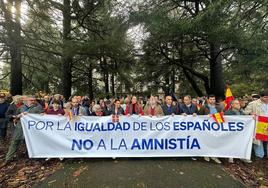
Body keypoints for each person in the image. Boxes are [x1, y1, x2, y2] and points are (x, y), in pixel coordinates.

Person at [3, 96, 44, 166]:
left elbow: (42, 116)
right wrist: (18, 116)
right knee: (15, 142)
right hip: (20, 128)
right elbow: (15, 116)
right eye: (31, 100)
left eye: (34, 100)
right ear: (27, 101)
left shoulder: (38, 107)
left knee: (32, 142)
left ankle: (36, 157)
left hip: (32, 129)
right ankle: (8, 158)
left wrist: (42, 115)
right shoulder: (21, 107)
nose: (33, 101)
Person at [224, 99, 252, 163]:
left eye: (238, 103)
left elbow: (247, 119)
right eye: (236, 103)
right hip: (231, 132)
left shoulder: (241, 112)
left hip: (241, 132)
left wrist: (251, 117)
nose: (238, 105)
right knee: (232, 143)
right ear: (232, 105)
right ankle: (230, 157)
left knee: (242, 143)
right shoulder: (227, 112)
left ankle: (242, 156)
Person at [198, 94, 223, 164]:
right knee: (207, 140)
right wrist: (206, 116)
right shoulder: (204, 107)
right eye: (211, 99)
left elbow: (220, 118)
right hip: (206, 128)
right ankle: (206, 154)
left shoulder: (218, 107)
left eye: (213, 99)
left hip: (216, 128)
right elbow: (199, 116)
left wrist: (219, 116)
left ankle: (214, 156)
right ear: (208, 100)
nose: (212, 101)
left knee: (215, 141)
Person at [244, 89, 268, 159]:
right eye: (265, 97)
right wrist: (250, 114)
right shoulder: (253, 103)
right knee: (258, 141)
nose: (267, 99)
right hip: (258, 125)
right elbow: (245, 112)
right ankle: (259, 156)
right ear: (261, 97)